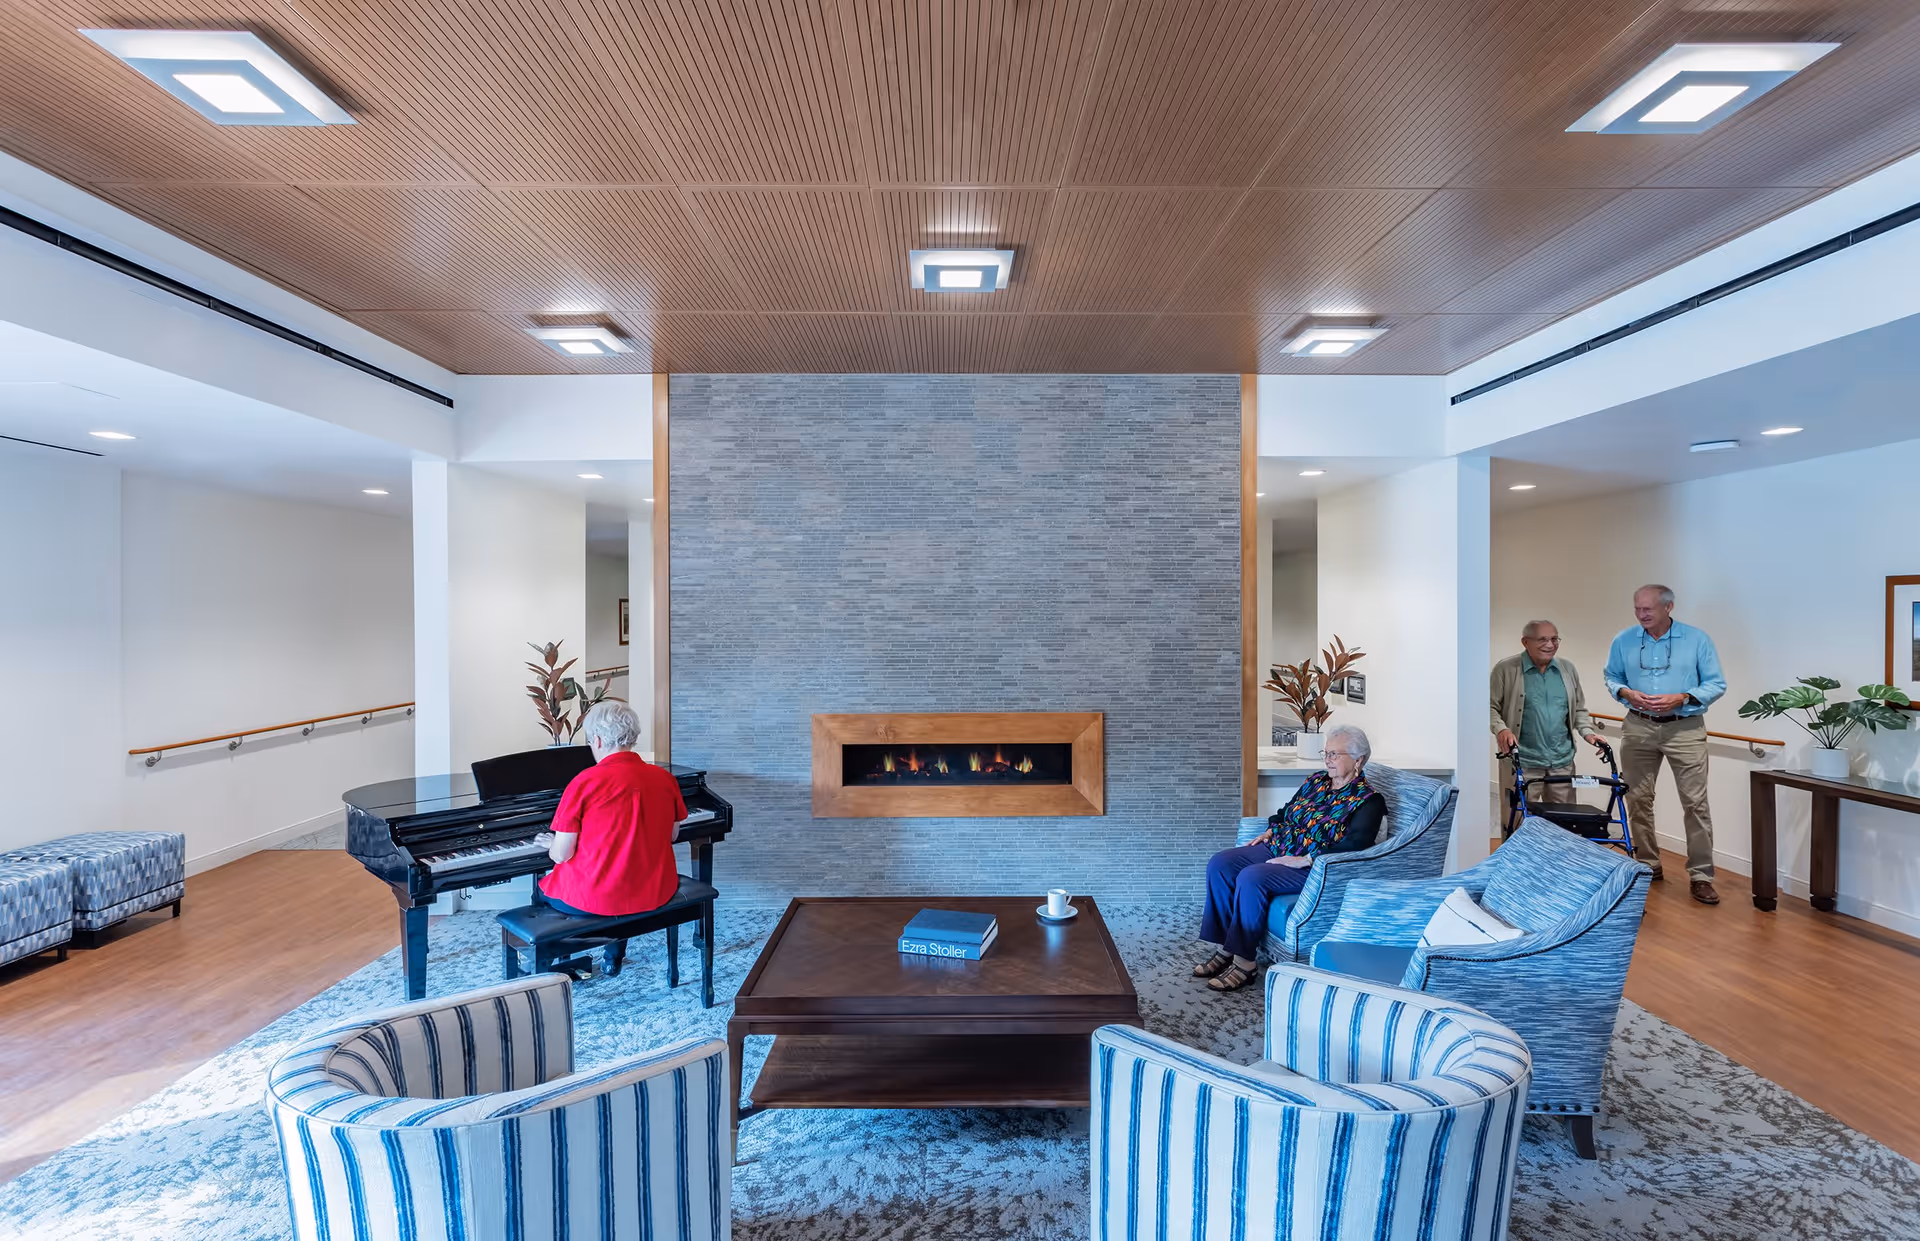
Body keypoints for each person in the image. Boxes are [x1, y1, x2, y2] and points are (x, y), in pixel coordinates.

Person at [1194, 723, 1386, 992]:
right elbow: (1286, 812)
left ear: (1359, 759)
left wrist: (1307, 858)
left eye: (1335, 755)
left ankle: (1244, 963)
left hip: (1314, 865)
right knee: (1221, 864)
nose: (1328, 760)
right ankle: (1226, 947)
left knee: (1252, 877)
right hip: (1280, 846)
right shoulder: (1316, 781)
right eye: (1326, 753)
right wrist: (1271, 829)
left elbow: (1358, 844)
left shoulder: (1368, 801)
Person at [1602, 584, 1727, 904]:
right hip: (1638, 727)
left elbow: (1716, 683)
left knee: (1695, 804)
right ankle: (1647, 864)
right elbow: (1612, 677)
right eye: (1637, 608)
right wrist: (1626, 693)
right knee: (1638, 799)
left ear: (1668, 607)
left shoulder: (1697, 639)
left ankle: (1701, 875)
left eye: (1648, 609)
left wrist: (1683, 697)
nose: (1642, 614)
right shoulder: (1623, 640)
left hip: (1684, 728)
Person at [536, 700, 685, 923]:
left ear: (596, 740)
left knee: (538, 895)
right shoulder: (665, 778)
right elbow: (672, 835)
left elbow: (561, 855)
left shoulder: (584, 782)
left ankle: (558, 954)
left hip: (594, 897)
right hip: (655, 891)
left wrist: (552, 843)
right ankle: (613, 955)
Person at [1491, 619, 1604, 805]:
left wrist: (1588, 733)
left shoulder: (1567, 669)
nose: (1550, 645)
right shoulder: (1506, 669)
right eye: (1542, 639)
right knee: (1519, 823)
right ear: (1525, 642)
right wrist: (1501, 729)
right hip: (1523, 762)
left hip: (1562, 763)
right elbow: (1490, 706)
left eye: (1554, 639)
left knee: (1563, 824)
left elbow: (1579, 709)